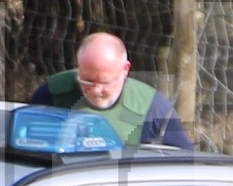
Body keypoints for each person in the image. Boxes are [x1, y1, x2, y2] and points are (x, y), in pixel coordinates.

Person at [30, 31, 189, 150]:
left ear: (125, 69)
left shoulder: (151, 108)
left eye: (105, 82)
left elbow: (182, 164)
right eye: (87, 81)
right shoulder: (52, 94)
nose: (95, 90)